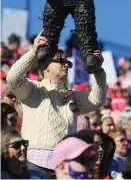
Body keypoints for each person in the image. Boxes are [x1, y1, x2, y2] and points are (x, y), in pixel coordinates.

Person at [6, 30, 107, 178]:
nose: (66, 64)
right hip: (34, 165)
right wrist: (33, 52)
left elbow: (97, 99)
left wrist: (97, 70)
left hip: (64, 166)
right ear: (45, 67)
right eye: (60, 61)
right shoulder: (34, 88)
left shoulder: (72, 95)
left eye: (68, 63)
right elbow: (13, 78)